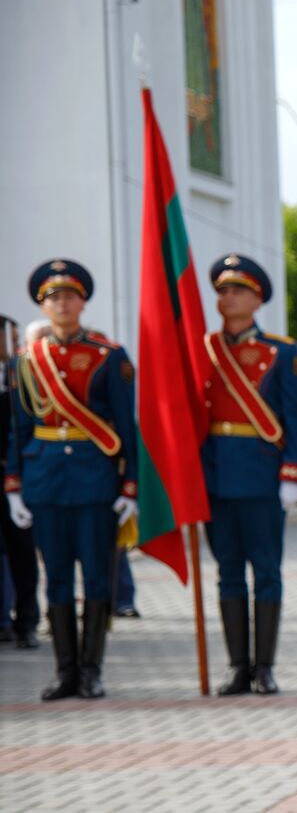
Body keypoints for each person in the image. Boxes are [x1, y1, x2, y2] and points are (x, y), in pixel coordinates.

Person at [6, 260, 139, 700]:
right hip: (45, 481)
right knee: (58, 578)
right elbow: (19, 429)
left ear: (82, 303)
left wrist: (130, 485)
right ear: (42, 306)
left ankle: (91, 671)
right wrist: (14, 486)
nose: (62, 304)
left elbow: (126, 425)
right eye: (53, 298)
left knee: (97, 577)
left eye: (69, 297)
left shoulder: (110, 356)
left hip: (95, 480)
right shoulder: (26, 361)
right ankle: (65, 672)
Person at [201, 254, 297, 696]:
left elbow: (295, 416)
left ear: (257, 298)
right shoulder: (204, 349)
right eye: (222, 291)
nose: (228, 297)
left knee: (266, 571)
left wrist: (293, 472)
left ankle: (264, 667)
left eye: (237, 290)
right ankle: (237, 668)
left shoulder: (281, 352)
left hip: (263, 474)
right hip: (215, 476)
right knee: (227, 571)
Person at [0, 315, 39, 649]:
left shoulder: (22, 372)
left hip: (17, 479)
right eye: (9, 339)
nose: (13, 346)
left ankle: (27, 622)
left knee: (22, 552)